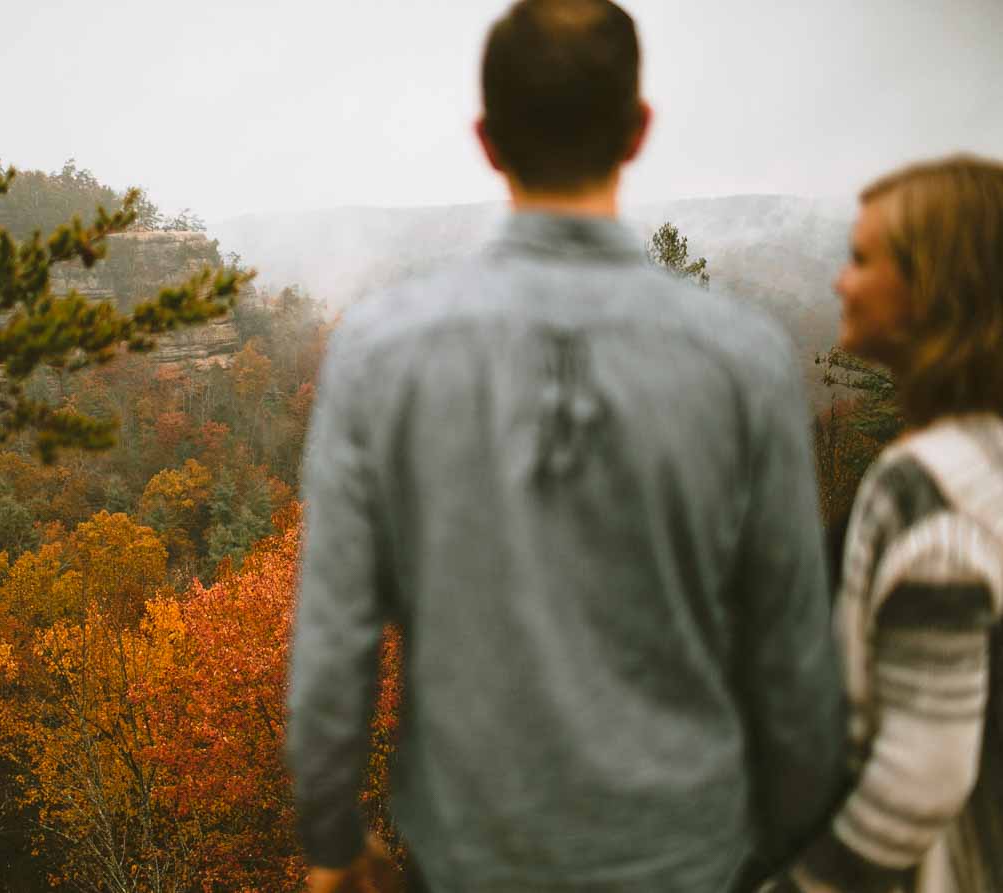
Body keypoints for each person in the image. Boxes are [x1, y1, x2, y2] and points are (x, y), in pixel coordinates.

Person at [285, 1, 847, 891]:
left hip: (474, 853)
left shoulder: (379, 353)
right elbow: (795, 669)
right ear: (637, 130)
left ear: (487, 138)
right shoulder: (745, 361)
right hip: (693, 851)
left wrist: (332, 838)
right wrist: (771, 844)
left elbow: (333, 644)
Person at [773, 157, 1003, 893]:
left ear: (930, 286)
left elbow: (921, 778)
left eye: (863, 260)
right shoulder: (983, 457)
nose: (840, 281)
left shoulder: (927, 489)